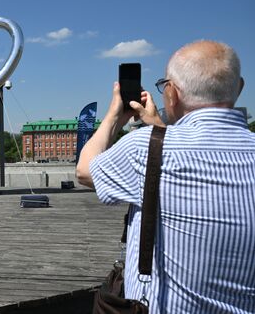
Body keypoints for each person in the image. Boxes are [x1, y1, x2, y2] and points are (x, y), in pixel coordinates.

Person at [76, 40, 255, 313]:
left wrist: (114, 116)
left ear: (172, 94)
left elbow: (85, 170)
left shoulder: (144, 147)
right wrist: (159, 128)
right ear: (239, 88)